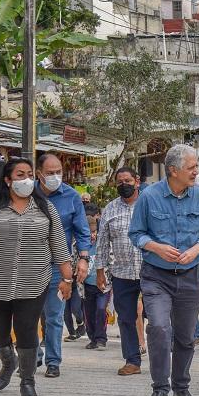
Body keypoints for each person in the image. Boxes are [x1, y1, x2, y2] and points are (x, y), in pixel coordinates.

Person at [0, 158, 72, 396]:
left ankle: (27, 381)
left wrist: (67, 278)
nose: (27, 179)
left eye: (30, 174)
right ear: (8, 180)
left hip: (34, 282)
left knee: (27, 330)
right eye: (20, 175)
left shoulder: (45, 208)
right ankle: (9, 361)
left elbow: (59, 245)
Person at [129, 143, 199, 396]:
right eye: (191, 167)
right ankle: (160, 389)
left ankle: (181, 386)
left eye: (196, 167)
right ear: (173, 170)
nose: (196, 172)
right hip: (156, 276)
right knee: (158, 327)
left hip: (191, 276)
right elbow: (136, 233)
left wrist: (198, 248)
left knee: (185, 335)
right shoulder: (149, 196)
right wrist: (156, 247)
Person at [36, 153, 92, 378]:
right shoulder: (27, 194)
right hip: (29, 266)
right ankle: (32, 356)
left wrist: (84, 259)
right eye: (50, 173)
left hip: (58, 266)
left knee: (54, 316)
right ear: (39, 174)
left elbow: (82, 231)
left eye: (58, 172)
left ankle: (53, 361)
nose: (55, 176)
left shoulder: (71, 196)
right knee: (27, 316)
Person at [98, 167, 145, 376]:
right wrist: (100, 271)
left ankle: (162, 359)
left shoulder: (149, 204)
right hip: (121, 273)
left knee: (158, 317)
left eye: (128, 181)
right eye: (119, 182)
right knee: (125, 318)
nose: (124, 185)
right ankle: (132, 361)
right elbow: (102, 242)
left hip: (150, 271)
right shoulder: (110, 209)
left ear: (137, 181)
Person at [82, 214, 110, 350]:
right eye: (89, 233)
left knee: (100, 309)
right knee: (89, 313)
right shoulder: (80, 246)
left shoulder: (103, 243)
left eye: (94, 232)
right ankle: (92, 338)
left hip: (103, 285)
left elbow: (111, 259)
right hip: (86, 285)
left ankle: (101, 338)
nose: (92, 235)